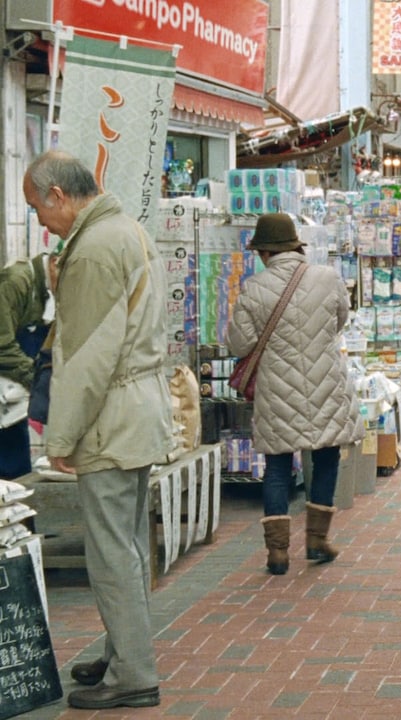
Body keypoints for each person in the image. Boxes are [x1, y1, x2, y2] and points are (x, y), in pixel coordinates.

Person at [25, 150, 172, 709]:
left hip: (111, 416)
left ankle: (132, 672)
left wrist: (60, 439)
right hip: (138, 410)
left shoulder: (92, 249)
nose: (40, 221)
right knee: (128, 544)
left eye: (38, 208)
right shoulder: (126, 232)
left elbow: (85, 358)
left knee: (112, 552)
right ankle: (122, 654)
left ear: (58, 195)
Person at [229, 213, 362, 576]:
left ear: (264, 252)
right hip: (326, 382)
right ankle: (318, 541)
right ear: (296, 246)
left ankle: (277, 553)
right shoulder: (328, 278)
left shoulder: (254, 288)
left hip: (276, 388)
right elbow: (340, 321)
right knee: (327, 456)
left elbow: (239, 343)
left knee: (277, 465)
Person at [0, 253, 55, 479]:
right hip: (6, 393)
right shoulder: (16, 282)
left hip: (15, 402)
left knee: (19, 477)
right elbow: (2, 345)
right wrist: (37, 379)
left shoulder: (44, 292)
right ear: (54, 263)